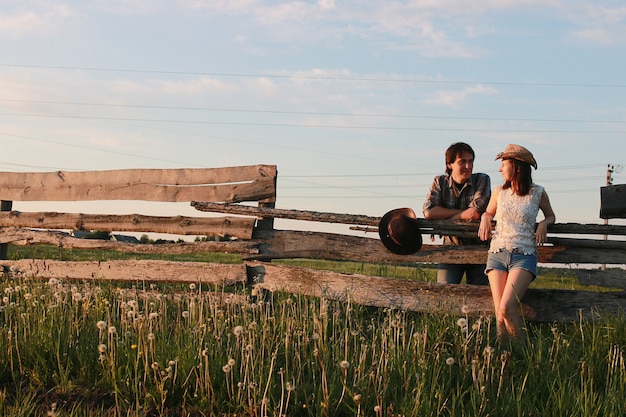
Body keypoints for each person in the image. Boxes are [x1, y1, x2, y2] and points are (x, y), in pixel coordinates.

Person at [478, 144, 555, 343]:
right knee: (499, 316)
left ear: (517, 166)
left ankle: (524, 353)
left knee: (506, 307)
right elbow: (488, 212)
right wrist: (485, 218)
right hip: (497, 253)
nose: (500, 169)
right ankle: (503, 363)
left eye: (504, 164)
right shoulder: (499, 191)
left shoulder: (537, 192)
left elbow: (551, 216)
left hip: (524, 255)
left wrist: (544, 224)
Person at [423, 142, 491, 285]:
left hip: (479, 247)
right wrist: (462, 215)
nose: (468, 166)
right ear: (449, 164)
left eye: (471, 161)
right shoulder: (440, 181)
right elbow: (428, 212)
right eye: (462, 162)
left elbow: (474, 214)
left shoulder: (482, 179)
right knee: (446, 292)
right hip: (450, 247)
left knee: (478, 296)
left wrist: (444, 219)